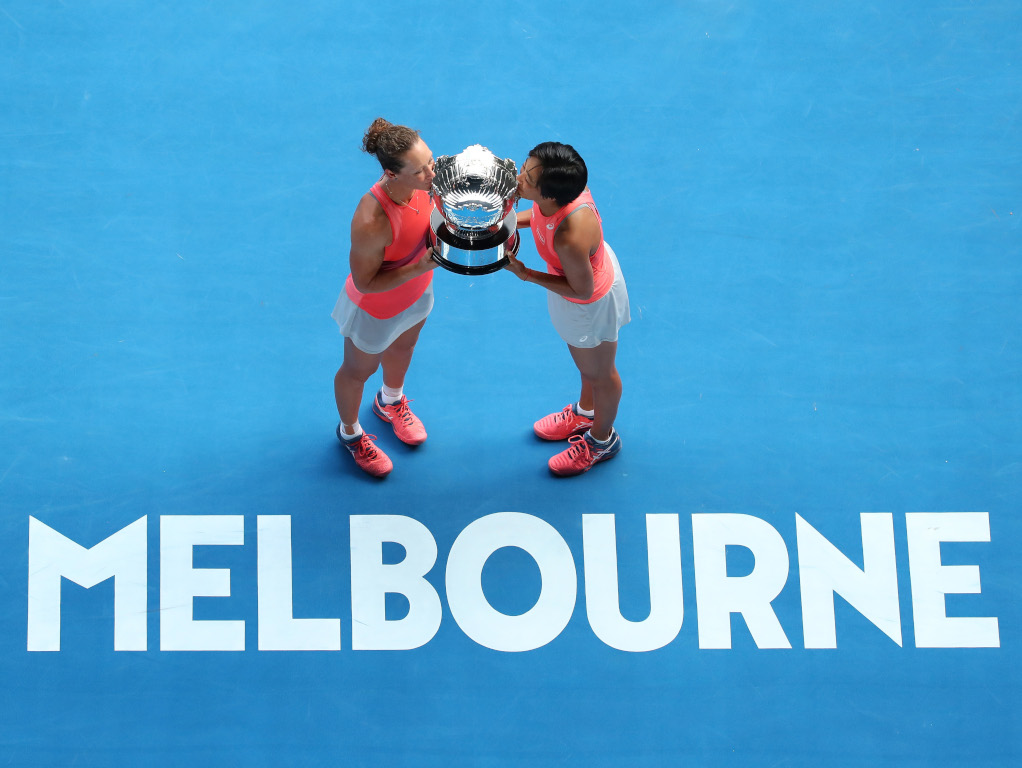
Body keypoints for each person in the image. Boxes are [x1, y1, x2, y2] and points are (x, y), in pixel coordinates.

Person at [504, 142, 630, 476]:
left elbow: (582, 289)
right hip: (574, 281)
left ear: (548, 194)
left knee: (600, 374)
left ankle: (602, 440)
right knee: (586, 365)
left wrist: (526, 273)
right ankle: (586, 412)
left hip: (588, 303)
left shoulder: (569, 238)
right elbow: (540, 215)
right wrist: (507, 222)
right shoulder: (561, 193)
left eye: (527, 179)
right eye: (524, 168)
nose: (518, 179)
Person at [330, 118, 439, 477]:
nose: (432, 174)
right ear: (392, 174)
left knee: (404, 348)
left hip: (418, 293)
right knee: (357, 372)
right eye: (420, 171)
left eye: (430, 161)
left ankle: (390, 401)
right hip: (375, 309)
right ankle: (350, 433)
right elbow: (365, 283)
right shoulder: (371, 220)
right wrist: (419, 266)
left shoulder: (428, 184)